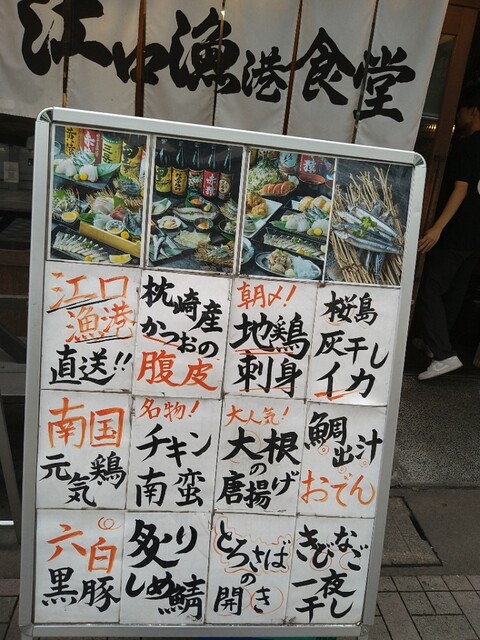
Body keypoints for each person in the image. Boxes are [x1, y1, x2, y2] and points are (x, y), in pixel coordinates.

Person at [416, 84, 480, 380]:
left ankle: (442, 354)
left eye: (461, 110)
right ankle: (436, 345)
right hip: (475, 237)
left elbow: (461, 189)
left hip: (456, 232)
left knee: (431, 288)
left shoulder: (467, 147)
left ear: (473, 111)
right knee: (454, 291)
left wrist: (437, 228)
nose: (458, 116)